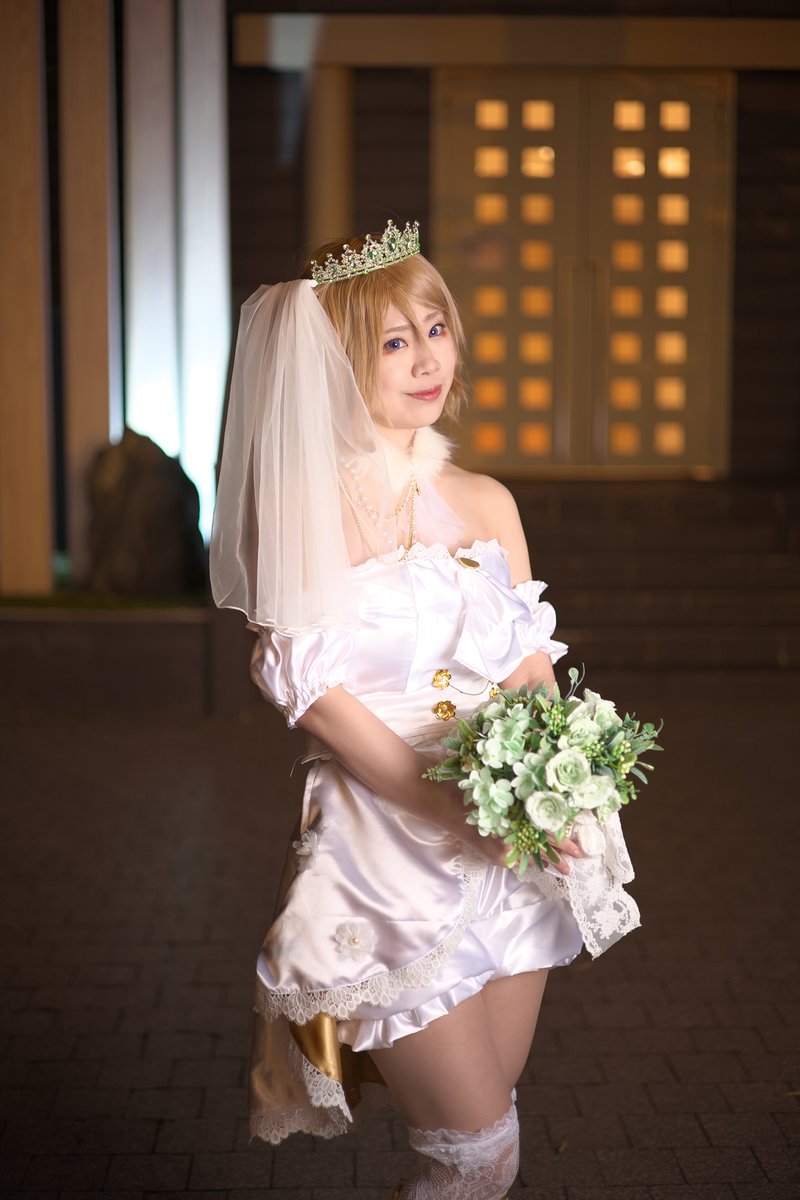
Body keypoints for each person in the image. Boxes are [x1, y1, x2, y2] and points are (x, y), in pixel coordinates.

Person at [210, 220, 638, 1199]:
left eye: (435, 329)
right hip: (386, 855)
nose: (426, 359)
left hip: (509, 850)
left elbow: (527, 665)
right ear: (334, 363)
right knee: (475, 1152)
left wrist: (560, 787)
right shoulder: (304, 509)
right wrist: (455, 812)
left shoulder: (486, 501)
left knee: (489, 1135)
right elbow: (316, 700)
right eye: (393, 341)